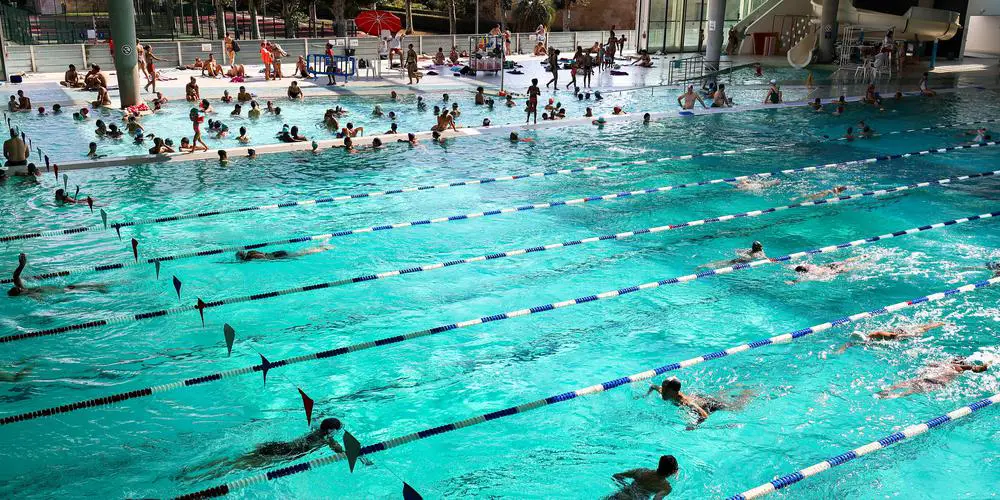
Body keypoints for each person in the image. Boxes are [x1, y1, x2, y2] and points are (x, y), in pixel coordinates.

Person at [647, 377, 753, 427]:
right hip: (699, 398)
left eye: (665, 389)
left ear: (673, 391)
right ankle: (735, 388)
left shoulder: (684, 402)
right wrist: (645, 395)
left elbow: (704, 415)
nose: (662, 391)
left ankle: (748, 391)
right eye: (663, 388)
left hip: (708, 405)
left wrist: (694, 425)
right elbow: (653, 386)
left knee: (736, 407)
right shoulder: (665, 392)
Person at [876, 356, 990, 399]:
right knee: (910, 389)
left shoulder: (948, 364)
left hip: (929, 380)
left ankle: (886, 392)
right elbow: (975, 369)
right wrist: (985, 366)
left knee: (907, 384)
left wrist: (983, 367)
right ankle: (890, 395)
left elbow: (929, 364)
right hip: (935, 383)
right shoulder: (958, 367)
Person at [7, 253, 107, 297]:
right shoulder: (31, 295)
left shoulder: (26, 290)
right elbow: (42, 301)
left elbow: (15, 277)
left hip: (59, 288)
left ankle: (99, 286)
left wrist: (22, 265)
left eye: (18, 288)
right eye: (19, 290)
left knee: (75, 287)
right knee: (76, 288)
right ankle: (98, 287)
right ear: (20, 295)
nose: (21, 288)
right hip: (60, 292)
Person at [836, 322, 946, 354]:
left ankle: (940, 323)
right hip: (897, 335)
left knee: (920, 329)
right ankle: (939, 323)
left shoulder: (878, 335)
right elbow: (851, 343)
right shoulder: (869, 338)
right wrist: (842, 348)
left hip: (901, 334)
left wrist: (912, 335)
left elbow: (851, 343)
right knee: (921, 329)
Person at [608, 455, 677, 500]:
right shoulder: (665, 487)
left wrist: (627, 486)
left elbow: (616, 476)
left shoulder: (641, 471)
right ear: (673, 471)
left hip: (618, 496)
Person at [787, 255, 868, 284]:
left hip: (830, 271)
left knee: (848, 269)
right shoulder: (809, 265)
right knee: (845, 261)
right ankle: (860, 257)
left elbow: (803, 280)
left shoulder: (810, 274)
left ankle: (865, 265)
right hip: (828, 266)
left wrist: (793, 281)